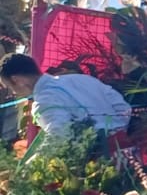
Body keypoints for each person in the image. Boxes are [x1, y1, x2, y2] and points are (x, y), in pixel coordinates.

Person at [0, 53, 131, 145]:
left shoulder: (44, 100)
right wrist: (118, 129)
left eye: (10, 87)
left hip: (97, 159)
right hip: (129, 146)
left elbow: (59, 137)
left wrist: (30, 168)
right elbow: (123, 108)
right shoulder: (81, 79)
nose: (13, 93)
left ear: (16, 80)